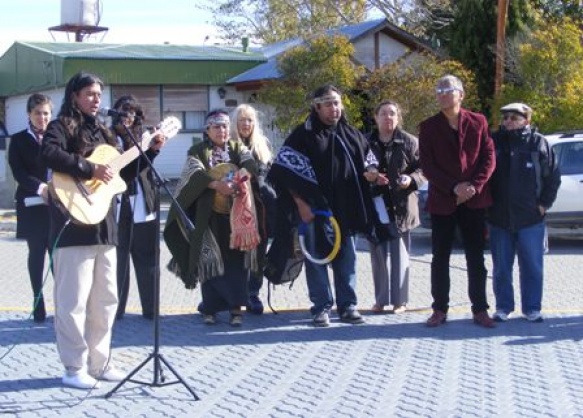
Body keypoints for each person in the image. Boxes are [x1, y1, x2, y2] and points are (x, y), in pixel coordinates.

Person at [41, 72, 165, 389]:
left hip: (105, 227)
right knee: (73, 301)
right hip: (73, 226)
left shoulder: (108, 133)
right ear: (74, 97)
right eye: (90, 93)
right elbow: (50, 153)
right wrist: (89, 168)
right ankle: (73, 367)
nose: (97, 99)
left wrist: (150, 151)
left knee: (106, 299)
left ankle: (100, 361)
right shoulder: (61, 126)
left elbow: (123, 175)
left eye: (99, 94)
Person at [268, 85, 379, 327]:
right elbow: (283, 173)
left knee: (347, 259)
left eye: (337, 103)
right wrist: (301, 205)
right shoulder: (302, 136)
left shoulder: (351, 134)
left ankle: (348, 305)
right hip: (314, 211)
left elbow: (370, 160)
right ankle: (321, 307)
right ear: (316, 107)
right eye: (328, 104)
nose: (334, 109)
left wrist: (371, 173)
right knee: (317, 260)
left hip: (345, 211)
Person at [164, 109, 259, 327]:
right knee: (209, 261)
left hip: (236, 216)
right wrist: (217, 185)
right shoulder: (197, 150)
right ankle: (210, 309)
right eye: (216, 126)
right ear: (207, 130)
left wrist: (238, 181)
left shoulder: (237, 148)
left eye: (225, 126)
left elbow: (250, 164)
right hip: (208, 217)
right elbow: (194, 173)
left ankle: (236, 309)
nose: (222, 130)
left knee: (236, 263)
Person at [418, 74, 496, 328]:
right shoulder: (428, 127)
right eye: (438, 89)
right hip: (443, 201)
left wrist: (473, 186)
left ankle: (480, 309)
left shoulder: (479, 121)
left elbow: (488, 157)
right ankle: (439, 309)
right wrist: (453, 187)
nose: (441, 93)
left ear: (460, 94)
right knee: (440, 257)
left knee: (476, 258)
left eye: (447, 89)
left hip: (474, 200)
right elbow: (428, 166)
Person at [488, 103, 561, 323]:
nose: (508, 121)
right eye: (506, 117)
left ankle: (531, 308)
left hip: (530, 219)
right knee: (501, 267)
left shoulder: (539, 143)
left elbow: (553, 177)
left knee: (532, 266)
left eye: (514, 117)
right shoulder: (494, 142)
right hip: (499, 218)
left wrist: (543, 204)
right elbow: (483, 175)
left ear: (526, 121)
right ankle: (503, 307)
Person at [366, 100, 426, 314]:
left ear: (398, 118)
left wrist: (411, 180)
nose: (388, 117)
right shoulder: (366, 142)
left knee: (400, 255)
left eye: (392, 113)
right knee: (378, 256)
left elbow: (423, 169)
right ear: (376, 117)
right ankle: (380, 300)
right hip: (376, 206)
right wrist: (369, 176)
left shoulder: (410, 142)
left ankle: (400, 301)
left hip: (402, 205)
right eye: (383, 113)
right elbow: (357, 170)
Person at [112, 95, 162, 321]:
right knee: (117, 262)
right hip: (117, 206)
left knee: (148, 259)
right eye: (123, 112)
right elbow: (121, 171)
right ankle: (116, 310)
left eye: (132, 113)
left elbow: (144, 168)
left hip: (143, 204)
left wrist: (152, 147)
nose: (128, 117)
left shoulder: (144, 138)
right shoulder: (107, 138)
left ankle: (151, 309)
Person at [8, 93, 52, 323]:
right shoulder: (18, 140)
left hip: (57, 205)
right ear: (28, 114)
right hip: (32, 204)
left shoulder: (57, 138)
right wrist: (41, 188)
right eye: (37, 113)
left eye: (46, 113)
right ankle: (38, 302)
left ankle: (64, 304)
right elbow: (19, 173)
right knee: (37, 254)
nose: (42, 118)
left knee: (60, 257)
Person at [231, 104, 275, 315]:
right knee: (236, 252)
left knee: (258, 252)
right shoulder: (229, 146)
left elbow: (269, 176)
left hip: (260, 208)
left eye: (250, 120)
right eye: (242, 120)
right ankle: (235, 294)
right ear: (235, 123)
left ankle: (253, 294)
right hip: (235, 208)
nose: (246, 124)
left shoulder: (262, 146)